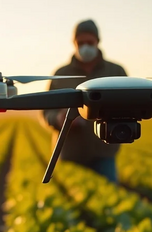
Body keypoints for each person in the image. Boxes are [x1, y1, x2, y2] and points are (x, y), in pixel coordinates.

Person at [40, 19, 127, 183]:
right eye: (80, 43)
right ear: (74, 42)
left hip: (104, 153)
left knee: (107, 194)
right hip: (69, 154)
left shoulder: (116, 72)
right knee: (72, 196)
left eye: (90, 42)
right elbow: (45, 112)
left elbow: (129, 107)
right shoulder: (60, 74)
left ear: (98, 41)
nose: (85, 47)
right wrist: (59, 118)